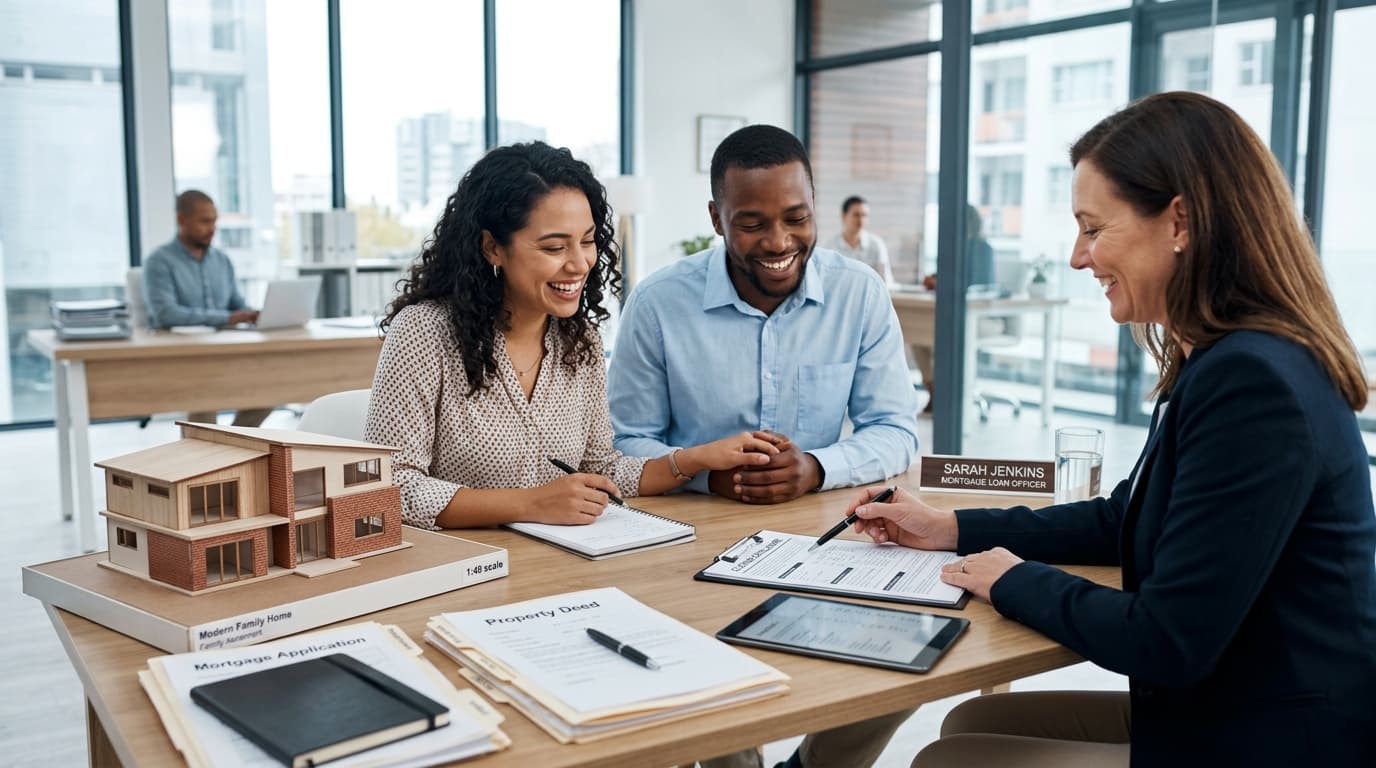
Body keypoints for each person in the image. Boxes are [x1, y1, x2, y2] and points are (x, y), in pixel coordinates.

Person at [845, 92, 1376, 766]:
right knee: (970, 723)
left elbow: (1168, 641)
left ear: (1179, 220)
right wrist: (949, 528)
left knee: (946, 760)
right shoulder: (1225, 356)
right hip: (1227, 704)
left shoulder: (1255, 382)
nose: (1077, 256)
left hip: (1278, 740)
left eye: (1093, 228)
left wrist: (1013, 579)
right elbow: (1122, 518)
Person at [609, 125, 920, 767]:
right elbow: (622, 442)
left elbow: (895, 429)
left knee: (911, 653)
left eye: (795, 218)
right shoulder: (659, 304)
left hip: (822, 540)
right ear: (716, 219)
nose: (779, 242)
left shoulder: (858, 293)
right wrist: (705, 474)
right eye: (751, 223)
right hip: (687, 548)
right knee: (711, 691)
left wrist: (816, 467)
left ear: (814, 206)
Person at [363, 142, 780, 531]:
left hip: (558, 568)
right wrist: (531, 504)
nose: (580, 263)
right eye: (553, 248)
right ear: (492, 248)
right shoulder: (424, 333)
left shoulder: (580, 341)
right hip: (458, 571)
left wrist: (695, 458)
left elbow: (602, 470)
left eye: (587, 241)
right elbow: (389, 490)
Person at [142, 189, 272, 427]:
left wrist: (253, 314)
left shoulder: (221, 261)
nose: (212, 228)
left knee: (271, 388)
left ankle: (235, 445)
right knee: (205, 400)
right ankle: (212, 453)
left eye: (214, 221)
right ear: (181, 220)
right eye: (204, 221)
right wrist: (227, 317)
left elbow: (236, 304)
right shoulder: (159, 262)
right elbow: (165, 314)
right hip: (185, 358)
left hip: (225, 352)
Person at [824, 195, 894, 285]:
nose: (861, 220)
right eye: (856, 215)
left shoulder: (876, 245)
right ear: (844, 216)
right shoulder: (830, 246)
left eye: (864, 215)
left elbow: (885, 281)